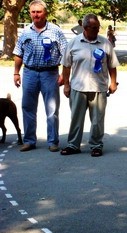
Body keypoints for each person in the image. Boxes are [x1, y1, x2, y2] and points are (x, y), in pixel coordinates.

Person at [60, 13, 119, 157]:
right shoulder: (73, 43)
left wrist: (113, 82)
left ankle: (96, 145)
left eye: (98, 27)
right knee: (76, 119)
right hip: (78, 87)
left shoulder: (105, 43)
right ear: (85, 28)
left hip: (99, 88)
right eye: (94, 28)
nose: (97, 30)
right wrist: (66, 85)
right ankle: (73, 145)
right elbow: (66, 66)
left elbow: (112, 65)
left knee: (97, 120)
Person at [13, 0, 67, 152]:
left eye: (39, 12)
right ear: (30, 13)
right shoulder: (25, 31)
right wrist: (16, 72)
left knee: (52, 109)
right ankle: (29, 141)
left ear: (46, 13)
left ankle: (52, 141)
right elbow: (18, 53)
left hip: (50, 74)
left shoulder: (56, 31)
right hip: (29, 73)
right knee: (27, 107)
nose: (36, 15)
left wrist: (64, 74)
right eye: (33, 12)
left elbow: (66, 54)